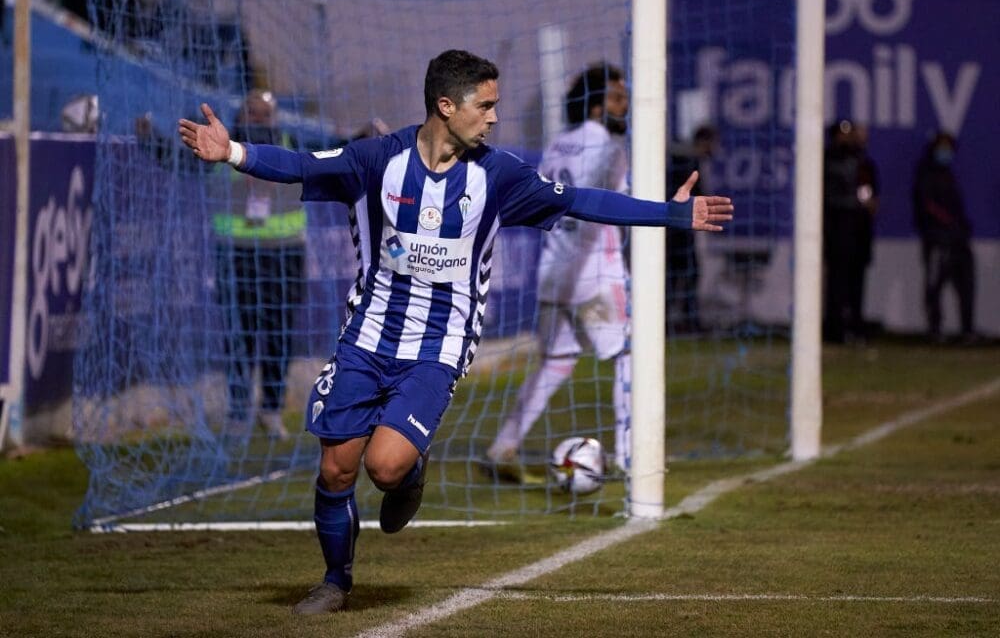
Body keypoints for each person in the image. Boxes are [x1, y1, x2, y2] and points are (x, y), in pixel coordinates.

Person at [178, 49, 733, 615]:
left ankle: (410, 470)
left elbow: (580, 201)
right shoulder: (378, 159)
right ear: (446, 106)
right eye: (485, 106)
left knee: (384, 466)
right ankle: (334, 582)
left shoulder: (499, 175)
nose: (494, 117)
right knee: (336, 466)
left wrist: (670, 214)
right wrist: (233, 152)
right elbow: (302, 165)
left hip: (439, 345)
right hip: (366, 337)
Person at [484, 63, 632, 476]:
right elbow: (623, 203)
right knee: (628, 356)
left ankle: (503, 445)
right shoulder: (609, 148)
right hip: (594, 275)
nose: (624, 106)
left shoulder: (557, 145)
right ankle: (629, 455)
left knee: (556, 361)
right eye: (617, 98)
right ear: (597, 105)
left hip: (552, 271)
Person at [213, 89, 307, 441]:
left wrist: (359, 136)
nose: (258, 120)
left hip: (285, 253)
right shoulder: (222, 145)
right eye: (252, 113)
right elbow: (180, 159)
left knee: (279, 335)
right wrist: (152, 139)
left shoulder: (291, 143)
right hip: (236, 252)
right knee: (240, 336)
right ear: (240, 116)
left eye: (265, 114)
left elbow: (333, 150)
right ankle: (238, 412)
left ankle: (271, 410)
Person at [912, 130, 975, 343]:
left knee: (966, 284)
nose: (946, 152)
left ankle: (967, 329)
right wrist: (947, 223)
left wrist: (961, 227)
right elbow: (927, 206)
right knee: (935, 284)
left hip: (958, 239)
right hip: (937, 238)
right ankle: (935, 329)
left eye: (949, 148)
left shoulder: (948, 174)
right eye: (942, 147)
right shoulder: (926, 174)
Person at [822, 119, 878, 344]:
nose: (847, 138)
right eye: (842, 134)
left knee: (857, 281)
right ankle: (835, 328)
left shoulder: (862, 161)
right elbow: (830, 196)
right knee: (837, 281)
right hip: (837, 229)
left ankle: (855, 326)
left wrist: (869, 203)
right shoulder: (826, 160)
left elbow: (868, 192)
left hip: (859, 230)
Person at [666, 124, 717, 335]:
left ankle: (680, 320)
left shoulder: (686, 158)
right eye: (713, 143)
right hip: (677, 230)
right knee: (682, 274)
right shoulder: (687, 162)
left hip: (678, 228)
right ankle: (684, 321)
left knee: (682, 275)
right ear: (704, 142)